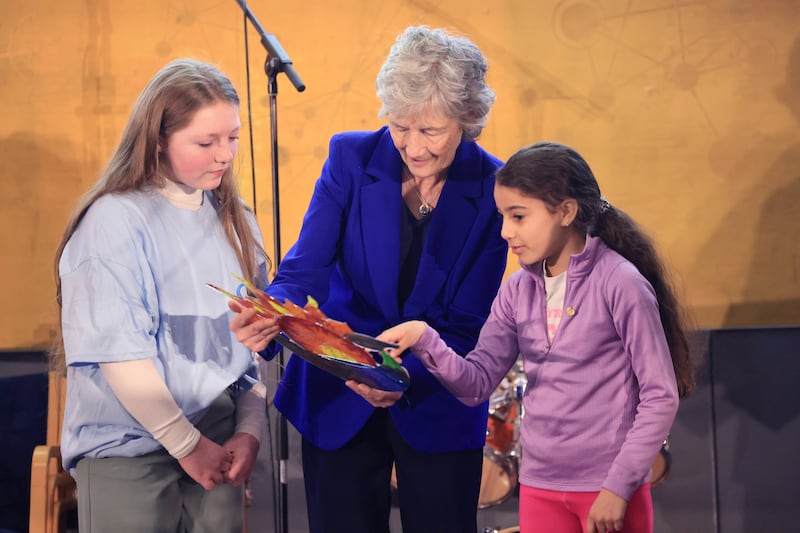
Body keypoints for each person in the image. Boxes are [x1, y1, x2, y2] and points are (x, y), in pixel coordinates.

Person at [230, 25, 507, 533]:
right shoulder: (352, 158)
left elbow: (470, 325)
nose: (412, 147)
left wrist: (396, 380)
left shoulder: (496, 188)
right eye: (401, 126)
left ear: (469, 118)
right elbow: (303, 268)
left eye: (430, 131)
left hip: (436, 396)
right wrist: (271, 313)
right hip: (338, 390)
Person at [380, 142, 696, 533]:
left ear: (566, 211)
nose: (505, 232)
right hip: (539, 486)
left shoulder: (621, 284)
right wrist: (425, 337)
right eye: (501, 216)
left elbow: (660, 395)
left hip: (609, 489)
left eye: (518, 216)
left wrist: (618, 487)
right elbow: (475, 384)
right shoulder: (516, 290)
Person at [53, 58, 269, 533]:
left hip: (218, 440)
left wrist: (250, 430)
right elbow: (121, 357)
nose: (225, 155)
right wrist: (188, 447)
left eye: (232, 137)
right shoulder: (114, 222)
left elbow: (249, 352)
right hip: (130, 451)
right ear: (157, 140)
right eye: (205, 142)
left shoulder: (238, 223)